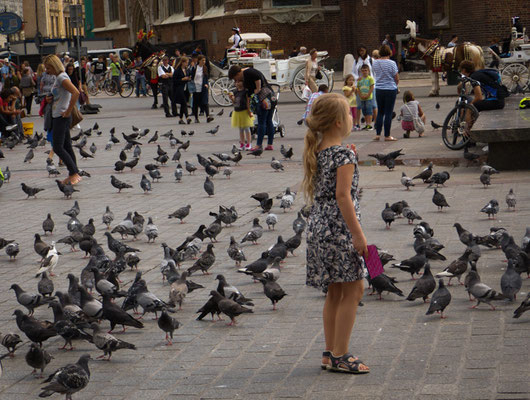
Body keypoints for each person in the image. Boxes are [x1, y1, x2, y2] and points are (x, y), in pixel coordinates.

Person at [302, 93, 370, 374]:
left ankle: (330, 353)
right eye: (351, 114)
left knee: (334, 292)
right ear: (340, 122)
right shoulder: (344, 154)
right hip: (340, 229)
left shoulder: (318, 150)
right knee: (354, 289)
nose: (353, 118)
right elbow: (343, 196)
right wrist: (359, 235)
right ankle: (342, 354)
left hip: (319, 227)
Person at [44, 54, 81, 185]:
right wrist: (50, 98)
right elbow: (61, 95)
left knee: (58, 147)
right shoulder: (59, 78)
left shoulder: (61, 78)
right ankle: (73, 173)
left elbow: (76, 92)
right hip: (59, 115)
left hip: (61, 116)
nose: (47, 71)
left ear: (54, 66)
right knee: (67, 146)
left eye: (48, 68)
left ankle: (74, 172)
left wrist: (68, 110)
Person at [228, 65, 275, 151]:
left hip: (264, 98)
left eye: (236, 77)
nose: (236, 80)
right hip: (271, 96)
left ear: (238, 73)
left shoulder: (247, 72)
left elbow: (257, 77)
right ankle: (270, 144)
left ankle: (258, 145)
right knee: (268, 121)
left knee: (262, 121)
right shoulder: (246, 73)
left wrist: (258, 88)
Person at [458, 60, 506, 135]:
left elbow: (479, 97)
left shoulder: (474, 77)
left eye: (461, 70)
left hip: (496, 101)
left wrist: (470, 104)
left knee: (469, 108)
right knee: (473, 106)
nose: (461, 72)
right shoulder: (477, 74)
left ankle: (468, 134)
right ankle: (470, 133)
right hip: (498, 100)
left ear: (464, 70)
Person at [372, 45, 399, 141]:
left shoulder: (375, 63)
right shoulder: (392, 63)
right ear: (389, 52)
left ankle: (377, 134)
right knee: (388, 113)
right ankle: (387, 135)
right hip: (390, 89)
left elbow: (376, 74)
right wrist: (396, 85)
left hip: (379, 88)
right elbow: (396, 78)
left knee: (380, 112)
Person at [351, 45, 377, 130]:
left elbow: (374, 72)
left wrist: (373, 81)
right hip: (360, 84)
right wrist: (356, 78)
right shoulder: (356, 61)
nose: (361, 52)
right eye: (360, 51)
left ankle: (376, 122)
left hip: (370, 84)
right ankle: (358, 123)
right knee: (359, 105)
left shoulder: (371, 60)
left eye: (363, 50)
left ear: (366, 51)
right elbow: (353, 73)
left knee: (372, 105)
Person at [229, 79, 254, 150]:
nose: (237, 83)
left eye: (239, 81)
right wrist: (232, 98)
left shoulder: (245, 91)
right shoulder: (235, 91)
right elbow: (235, 103)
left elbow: (248, 102)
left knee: (246, 128)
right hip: (237, 112)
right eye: (236, 82)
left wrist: (249, 111)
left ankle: (249, 143)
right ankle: (242, 143)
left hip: (244, 111)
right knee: (240, 129)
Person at [189, 55, 213, 123]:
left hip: (203, 87)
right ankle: (196, 118)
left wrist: (206, 84)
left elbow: (206, 77)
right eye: (202, 60)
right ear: (199, 60)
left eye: (204, 60)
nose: (204, 62)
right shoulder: (194, 68)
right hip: (196, 87)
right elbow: (191, 76)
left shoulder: (205, 68)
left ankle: (208, 116)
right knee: (196, 103)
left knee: (205, 102)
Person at [173, 56, 192, 125]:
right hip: (179, 89)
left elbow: (190, 76)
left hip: (186, 88)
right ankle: (187, 117)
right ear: (182, 62)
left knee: (183, 104)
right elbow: (174, 80)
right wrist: (182, 79)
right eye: (186, 62)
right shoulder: (177, 70)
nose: (187, 64)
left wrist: (189, 78)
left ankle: (180, 119)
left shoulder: (187, 70)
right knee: (184, 102)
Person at [356, 65, 375, 130]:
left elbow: (372, 87)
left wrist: (368, 94)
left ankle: (369, 124)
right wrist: (360, 95)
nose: (364, 72)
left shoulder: (370, 79)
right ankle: (367, 124)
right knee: (364, 111)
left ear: (368, 71)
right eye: (363, 71)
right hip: (362, 97)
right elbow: (358, 88)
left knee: (369, 111)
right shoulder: (360, 79)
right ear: (361, 71)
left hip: (368, 98)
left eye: (366, 70)